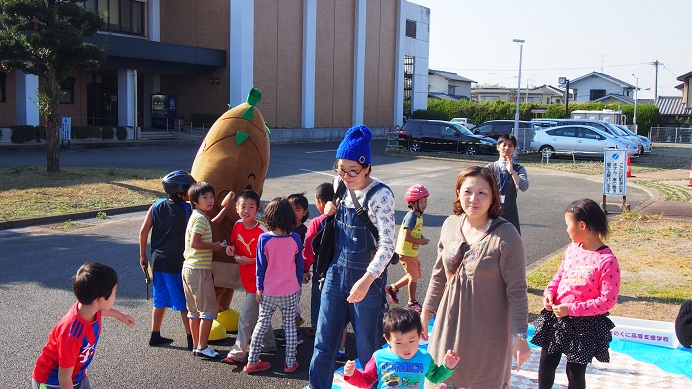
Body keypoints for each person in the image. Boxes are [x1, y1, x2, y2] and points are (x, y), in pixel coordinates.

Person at [421, 165, 530, 389]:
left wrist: (520, 336)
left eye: (483, 193)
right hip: (448, 322)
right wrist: (425, 312)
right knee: (440, 378)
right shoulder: (450, 224)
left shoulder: (506, 234)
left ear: (493, 198)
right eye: (468, 191)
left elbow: (517, 289)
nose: (474, 199)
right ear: (458, 193)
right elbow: (438, 274)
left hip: (488, 330)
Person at [309, 125, 396, 389]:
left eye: (352, 171)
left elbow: (388, 245)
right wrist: (331, 211)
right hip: (336, 274)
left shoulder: (381, 194)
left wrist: (368, 279)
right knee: (324, 344)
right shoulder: (339, 185)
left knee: (369, 351)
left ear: (367, 167)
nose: (345, 176)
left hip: (368, 280)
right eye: (340, 169)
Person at [532, 198, 620, 389]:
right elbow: (560, 275)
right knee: (546, 365)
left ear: (582, 225)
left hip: (584, 326)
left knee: (575, 373)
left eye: (567, 225)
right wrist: (549, 293)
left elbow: (607, 301)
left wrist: (571, 309)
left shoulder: (607, 261)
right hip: (557, 319)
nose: (566, 230)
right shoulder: (572, 249)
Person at [31, 262, 135, 389]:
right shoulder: (72, 334)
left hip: (76, 376)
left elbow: (101, 310)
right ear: (101, 300)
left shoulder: (89, 308)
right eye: (115, 292)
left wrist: (120, 315)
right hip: (52, 382)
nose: (115, 295)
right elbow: (64, 376)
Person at [243, 197, 304, 374]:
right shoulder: (295, 238)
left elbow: (260, 267)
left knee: (261, 324)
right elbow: (299, 265)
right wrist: (298, 286)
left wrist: (259, 287)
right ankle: (290, 362)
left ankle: (252, 361)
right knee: (290, 326)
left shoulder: (263, 239)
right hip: (290, 289)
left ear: (269, 217)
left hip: (268, 290)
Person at [138, 170, 195, 349]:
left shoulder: (156, 205)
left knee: (160, 298)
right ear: (180, 193)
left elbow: (143, 231)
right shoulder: (188, 209)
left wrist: (143, 255)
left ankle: (155, 334)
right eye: (189, 190)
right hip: (175, 261)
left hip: (157, 260)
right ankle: (192, 339)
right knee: (182, 301)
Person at [222, 190, 277, 365]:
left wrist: (250, 260)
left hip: (260, 282)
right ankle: (269, 344)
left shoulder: (262, 231)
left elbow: (270, 259)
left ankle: (238, 353)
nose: (246, 210)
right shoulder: (238, 225)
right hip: (247, 279)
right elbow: (234, 244)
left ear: (257, 209)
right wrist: (230, 249)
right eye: (243, 206)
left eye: (251, 207)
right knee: (260, 314)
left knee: (245, 317)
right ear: (237, 208)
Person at [343, 307, 459, 388]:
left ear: (419, 336)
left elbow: (435, 377)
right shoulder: (379, 357)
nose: (406, 348)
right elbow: (367, 380)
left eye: (411, 341)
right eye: (398, 343)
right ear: (387, 339)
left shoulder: (424, 357)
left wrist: (447, 367)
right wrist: (352, 374)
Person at [304, 183, 350, 360]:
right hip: (340, 266)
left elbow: (309, 246)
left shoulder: (317, 222)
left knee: (319, 297)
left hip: (321, 267)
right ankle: (340, 343)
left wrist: (305, 267)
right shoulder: (343, 217)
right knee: (339, 304)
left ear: (320, 202)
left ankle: (317, 327)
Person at [183, 181, 227, 358]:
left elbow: (213, 224)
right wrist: (214, 246)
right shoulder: (200, 219)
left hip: (188, 268)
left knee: (193, 311)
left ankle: (196, 346)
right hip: (200, 269)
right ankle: (202, 347)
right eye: (205, 197)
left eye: (211, 196)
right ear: (194, 200)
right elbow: (195, 242)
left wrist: (226, 207)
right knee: (208, 310)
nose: (210, 200)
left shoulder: (198, 216)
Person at [386, 184, 431, 312]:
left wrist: (421, 238)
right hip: (406, 252)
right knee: (413, 277)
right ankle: (412, 302)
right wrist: (421, 240)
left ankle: (393, 288)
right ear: (412, 203)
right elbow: (407, 236)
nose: (424, 204)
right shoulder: (411, 216)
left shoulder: (419, 216)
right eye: (421, 201)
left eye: (425, 201)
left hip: (412, 251)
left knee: (416, 275)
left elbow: (415, 232)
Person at [274, 193, 310, 347]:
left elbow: (305, 253)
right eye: (290, 208)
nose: (293, 212)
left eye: (298, 209)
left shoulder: (303, 230)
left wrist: (304, 271)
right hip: (282, 273)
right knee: (285, 305)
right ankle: (288, 330)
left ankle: (295, 334)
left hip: (295, 275)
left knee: (293, 304)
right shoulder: (282, 228)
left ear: (305, 213)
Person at [486, 134, 529, 234]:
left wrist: (512, 172)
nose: (507, 148)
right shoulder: (490, 168)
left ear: (514, 149)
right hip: (491, 212)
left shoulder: (519, 168)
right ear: (498, 147)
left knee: (512, 243)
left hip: (510, 213)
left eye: (510, 145)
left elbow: (524, 186)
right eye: (504, 145)